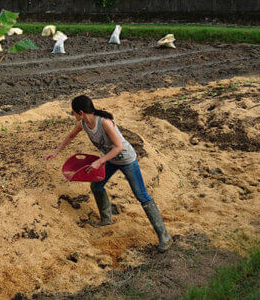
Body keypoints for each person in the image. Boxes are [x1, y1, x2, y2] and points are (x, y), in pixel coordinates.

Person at [45, 95, 172, 252]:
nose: (73, 116)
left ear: (81, 112)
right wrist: (56, 152)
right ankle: (106, 219)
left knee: (141, 195)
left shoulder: (104, 122)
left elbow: (118, 146)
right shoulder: (83, 123)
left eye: (73, 113)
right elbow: (71, 136)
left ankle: (164, 236)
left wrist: (100, 161)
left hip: (126, 160)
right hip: (110, 160)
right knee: (97, 186)